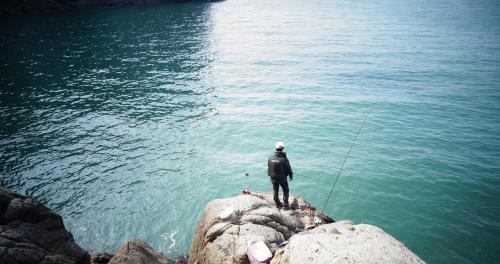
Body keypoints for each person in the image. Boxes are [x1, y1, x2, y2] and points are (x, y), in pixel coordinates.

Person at [267, 141, 293, 209]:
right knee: (285, 190)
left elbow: (269, 166)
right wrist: (291, 175)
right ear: (283, 148)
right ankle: (285, 205)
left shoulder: (270, 156)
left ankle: (277, 204)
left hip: (272, 177)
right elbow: (288, 168)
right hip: (282, 178)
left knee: (275, 190)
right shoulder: (284, 158)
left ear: (276, 148)